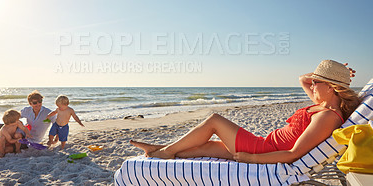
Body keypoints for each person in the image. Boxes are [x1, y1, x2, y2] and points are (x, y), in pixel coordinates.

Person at [130, 60, 361, 164]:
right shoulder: (324, 104)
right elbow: (302, 78)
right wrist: (337, 73)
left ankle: (164, 152)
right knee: (202, 148)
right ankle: (162, 150)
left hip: (261, 149)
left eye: (317, 83)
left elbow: (292, 153)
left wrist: (251, 158)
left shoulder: (327, 116)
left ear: (330, 88)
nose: (311, 86)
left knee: (214, 121)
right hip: (263, 143)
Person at [0, 90, 55, 154]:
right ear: (30, 103)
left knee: (6, 150)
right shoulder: (26, 110)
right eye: (35, 103)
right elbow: (14, 117)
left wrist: (53, 139)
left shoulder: (48, 112)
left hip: (30, 141)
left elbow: (58, 125)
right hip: (18, 131)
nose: (38, 104)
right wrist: (15, 124)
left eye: (40, 101)